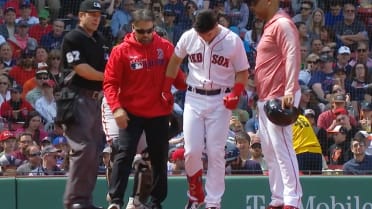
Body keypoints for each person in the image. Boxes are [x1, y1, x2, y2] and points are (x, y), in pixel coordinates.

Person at [164, 9, 249, 209]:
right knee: (192, 151)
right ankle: (195, 194)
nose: (203, 36)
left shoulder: (232, 40)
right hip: (194, 97)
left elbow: (243, 72)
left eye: (207, 33)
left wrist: (236, 93)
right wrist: (166, 88)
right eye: (200, 33)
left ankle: (213, 202)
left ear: (216, 26)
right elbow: (175, 60)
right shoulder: (189, 36)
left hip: (220, 99)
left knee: (215, 151)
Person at [104, 9, 186, 209]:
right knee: (123, 155)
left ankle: (156, 202)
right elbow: (110, 83)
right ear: (133, 28)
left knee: (159, 158)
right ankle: (115, 201)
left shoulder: (166, 47)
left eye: (150, 31)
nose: (147, 35)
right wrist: (116, 109)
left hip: (158, 112)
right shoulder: (120, 51)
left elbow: (179, 78)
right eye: (142, 32)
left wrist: (192, 86)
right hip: (131, 112)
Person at [249, 0, 303, 208]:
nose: (253, 7)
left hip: (281, 94)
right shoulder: (270, 24)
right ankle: (278, 197)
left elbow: (292, 53)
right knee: (270, 151)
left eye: (255, 2)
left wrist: (289, 89)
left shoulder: (282, 23)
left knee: (282, 148)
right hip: (266, 97)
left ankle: (293, 199)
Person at [61, 1, 107, 209]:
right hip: (76, 97)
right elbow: (81, 69)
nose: (96, 18)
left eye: (98, 14)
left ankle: (85, 201)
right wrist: (110, 78)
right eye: (92, 14)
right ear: (81, 15)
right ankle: (74, 202)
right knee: (84, 148)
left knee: (94, 150)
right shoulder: (73, 37)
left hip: (96, 99)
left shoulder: (99, 39)